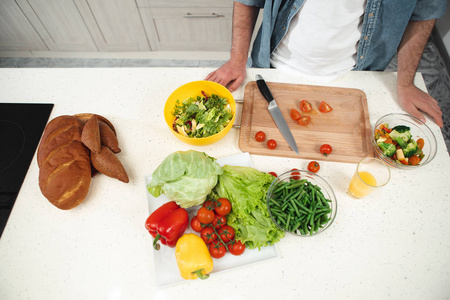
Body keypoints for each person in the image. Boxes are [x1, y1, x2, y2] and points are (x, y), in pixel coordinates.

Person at [205, 0, 446, 128]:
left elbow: (424, 11)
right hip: (272, 66)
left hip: (355, 76)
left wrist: (405, 83)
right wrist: (237, 59)